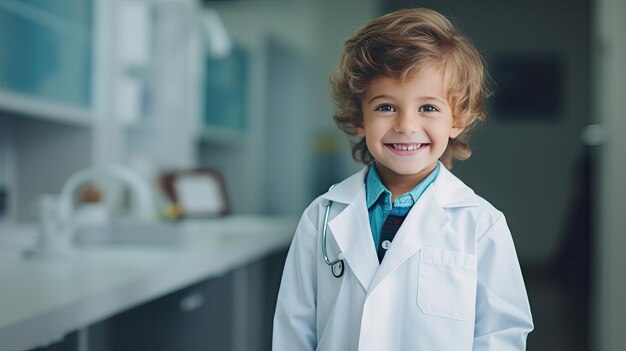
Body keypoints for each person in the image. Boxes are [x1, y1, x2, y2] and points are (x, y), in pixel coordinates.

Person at [273, 8, 533, 351]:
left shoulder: (480, 223)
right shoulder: (322, 218)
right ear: (359, 118)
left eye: (428, 108)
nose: (406, 125)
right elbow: (294, 329)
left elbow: (501, 334)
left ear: (457, 119)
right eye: (385, 107)